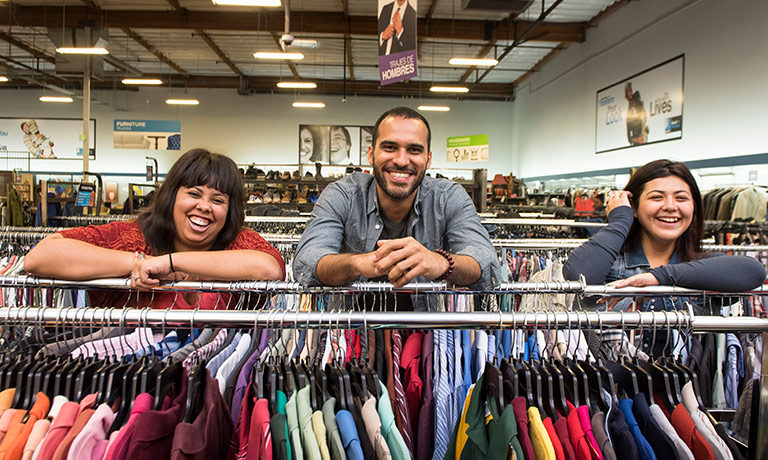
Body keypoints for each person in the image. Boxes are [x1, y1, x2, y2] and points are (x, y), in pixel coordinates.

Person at [293, 107, 499, 311]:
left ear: (428, 159)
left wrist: (440, 263)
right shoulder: (342, 195)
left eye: (414, 150)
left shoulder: (448, 197)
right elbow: (306, 262)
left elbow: (487, 264)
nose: (401, 161)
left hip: (428, 334)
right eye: (390, 147)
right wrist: (356, 263)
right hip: (347, 335)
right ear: (371, 154)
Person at [24, 148, 285, 309]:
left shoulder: (238, 242)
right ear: (172, 196)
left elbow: (270, 268)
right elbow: (39, 257)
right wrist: (138, 262)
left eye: (218, 200)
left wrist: (169, 264)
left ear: (230, 210)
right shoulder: (132, 237)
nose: (205, 206)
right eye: (194, 194)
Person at [564, 159, 765, 313]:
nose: (670, 206)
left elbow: (754, 272)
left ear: (694, 207)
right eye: (656, 197)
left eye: (681, 198)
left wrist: (658, 276)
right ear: (633, 205)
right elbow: (579, 277)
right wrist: (620, 221)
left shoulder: (705, 267)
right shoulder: (608, 264)